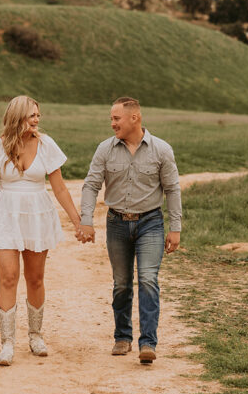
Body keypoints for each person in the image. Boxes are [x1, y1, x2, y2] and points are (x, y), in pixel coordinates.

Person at [0, 95, 82, 365]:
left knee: (35, 278)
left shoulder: (46, 145)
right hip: (6, 215)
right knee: (8, 277)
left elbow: (59, 187)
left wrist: (77, 221)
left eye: (38, 115)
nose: (36, 120)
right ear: (17, 117)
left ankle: (35, 336)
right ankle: (7, 343)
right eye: (31, 115)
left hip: (37, 214)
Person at [78, 97, 182, 364]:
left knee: (148, 279)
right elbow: (91, 186)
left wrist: (176, 228)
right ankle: (122, 337)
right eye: (111, 119)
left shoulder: (161, 150)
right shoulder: (105, 149)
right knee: (122, 284)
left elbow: (172, 189)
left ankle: (148, 343)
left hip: (151, 223)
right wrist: (86, 220)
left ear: (134, 118)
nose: (112, 124)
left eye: (116, 119)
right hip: (117, 223)